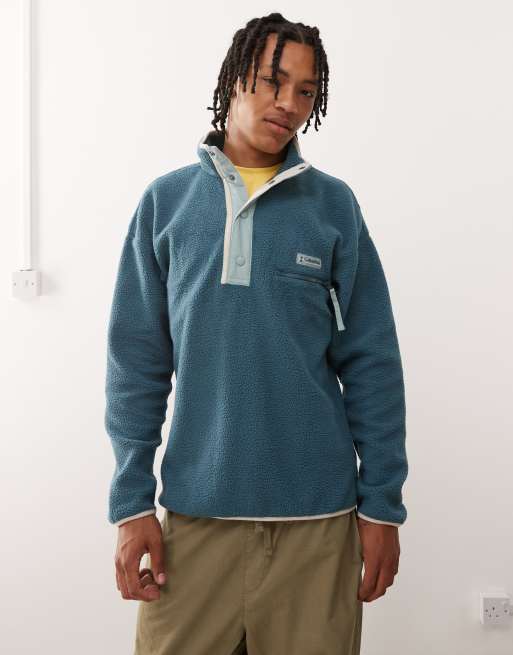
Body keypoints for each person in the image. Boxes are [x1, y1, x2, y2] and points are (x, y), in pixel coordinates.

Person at [104, 12, 408, 655]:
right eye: (274, 81)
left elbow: (373, 362)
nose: (289, 103)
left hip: (317, 525)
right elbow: (135, 364)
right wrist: (132, 504)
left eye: (306, 90)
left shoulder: (334, 207)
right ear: (233, 77)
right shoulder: (165, 204)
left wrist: (382, 505)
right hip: (195, 520)